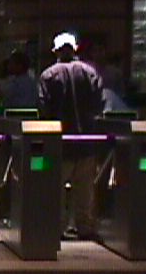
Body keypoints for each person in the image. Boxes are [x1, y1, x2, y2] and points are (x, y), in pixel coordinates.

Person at [39, 32, 103, 241]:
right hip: (87, 141)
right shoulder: (89, 72)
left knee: (56, 189)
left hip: (60, 142)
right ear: (75, 49)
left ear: (56, 51)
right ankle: (84, 227)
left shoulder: (49, 75)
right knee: (84, 191)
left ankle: (58, 227)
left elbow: (43, 108)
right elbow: (99, 104)